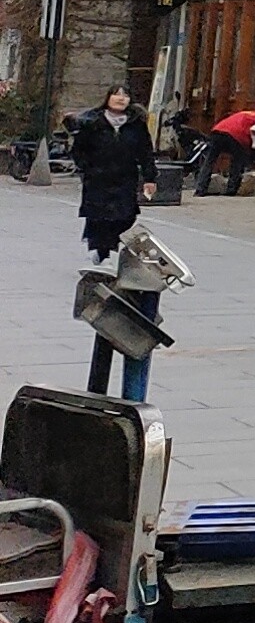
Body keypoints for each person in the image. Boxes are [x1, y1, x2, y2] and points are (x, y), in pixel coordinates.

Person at [69, 86, 161, 397]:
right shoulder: (94, 122)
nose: (121, 99)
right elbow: (78, 147)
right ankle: (100, 249)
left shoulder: (136, 125)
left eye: (125, 96)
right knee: (98, 219)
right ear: (107, 98)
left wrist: (150, 176)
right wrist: (85, 166)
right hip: (98, 178)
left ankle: (110, 245)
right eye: (116, 95)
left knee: (124, 217)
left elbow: (146, 152)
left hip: (123, 179)